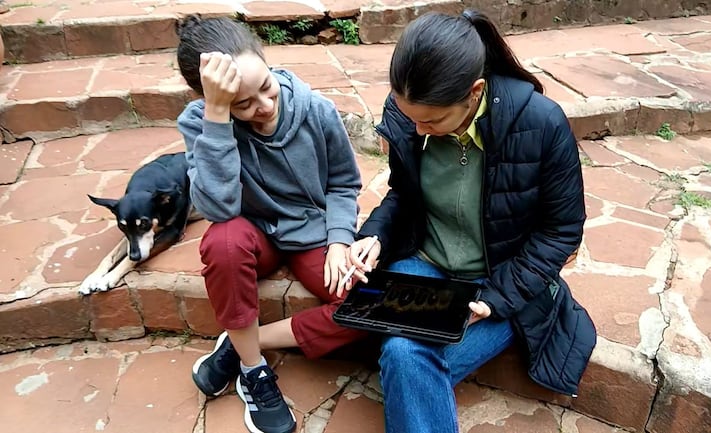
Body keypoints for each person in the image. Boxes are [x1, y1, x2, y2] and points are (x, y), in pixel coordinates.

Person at [343, 9, 598, 433]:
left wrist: (497, 298)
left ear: (474, 91)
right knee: (407, 355)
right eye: (411, 118)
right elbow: (403, 195)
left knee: (406, 358)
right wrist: (375, 235)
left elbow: (561, 231)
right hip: (425, 266)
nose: (418, 129)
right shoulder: (410, 113)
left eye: (433, 120)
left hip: (503, 279)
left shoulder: (541, 123)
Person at [175, 15, 366, 433]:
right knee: (222, 243)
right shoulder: (200, 123)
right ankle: (254, 372)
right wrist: (218, 119)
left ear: (267, 62)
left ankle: (244, 341)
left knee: (367, 307)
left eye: (265, 87)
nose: (263, 106)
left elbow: (344, 183)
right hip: (251, 233)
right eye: (242, 103)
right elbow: (218, 207)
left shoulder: (316, 109)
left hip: (312, 233)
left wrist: (339, 241)